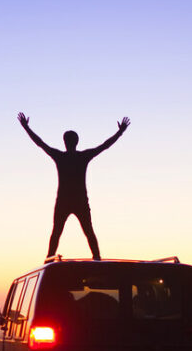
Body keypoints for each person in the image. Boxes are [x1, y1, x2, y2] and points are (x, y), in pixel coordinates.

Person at [18, 112, 129, 261]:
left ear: (66, 142)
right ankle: (95, 258)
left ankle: (52, 258)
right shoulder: (80, 157)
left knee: (62, 232)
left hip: (69, 202)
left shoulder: (62, 156)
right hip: (76, 201)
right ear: (76, 142)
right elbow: (104, 146)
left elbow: (40, 143)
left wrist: (26, 127)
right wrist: (120, 132)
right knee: (83, 232)